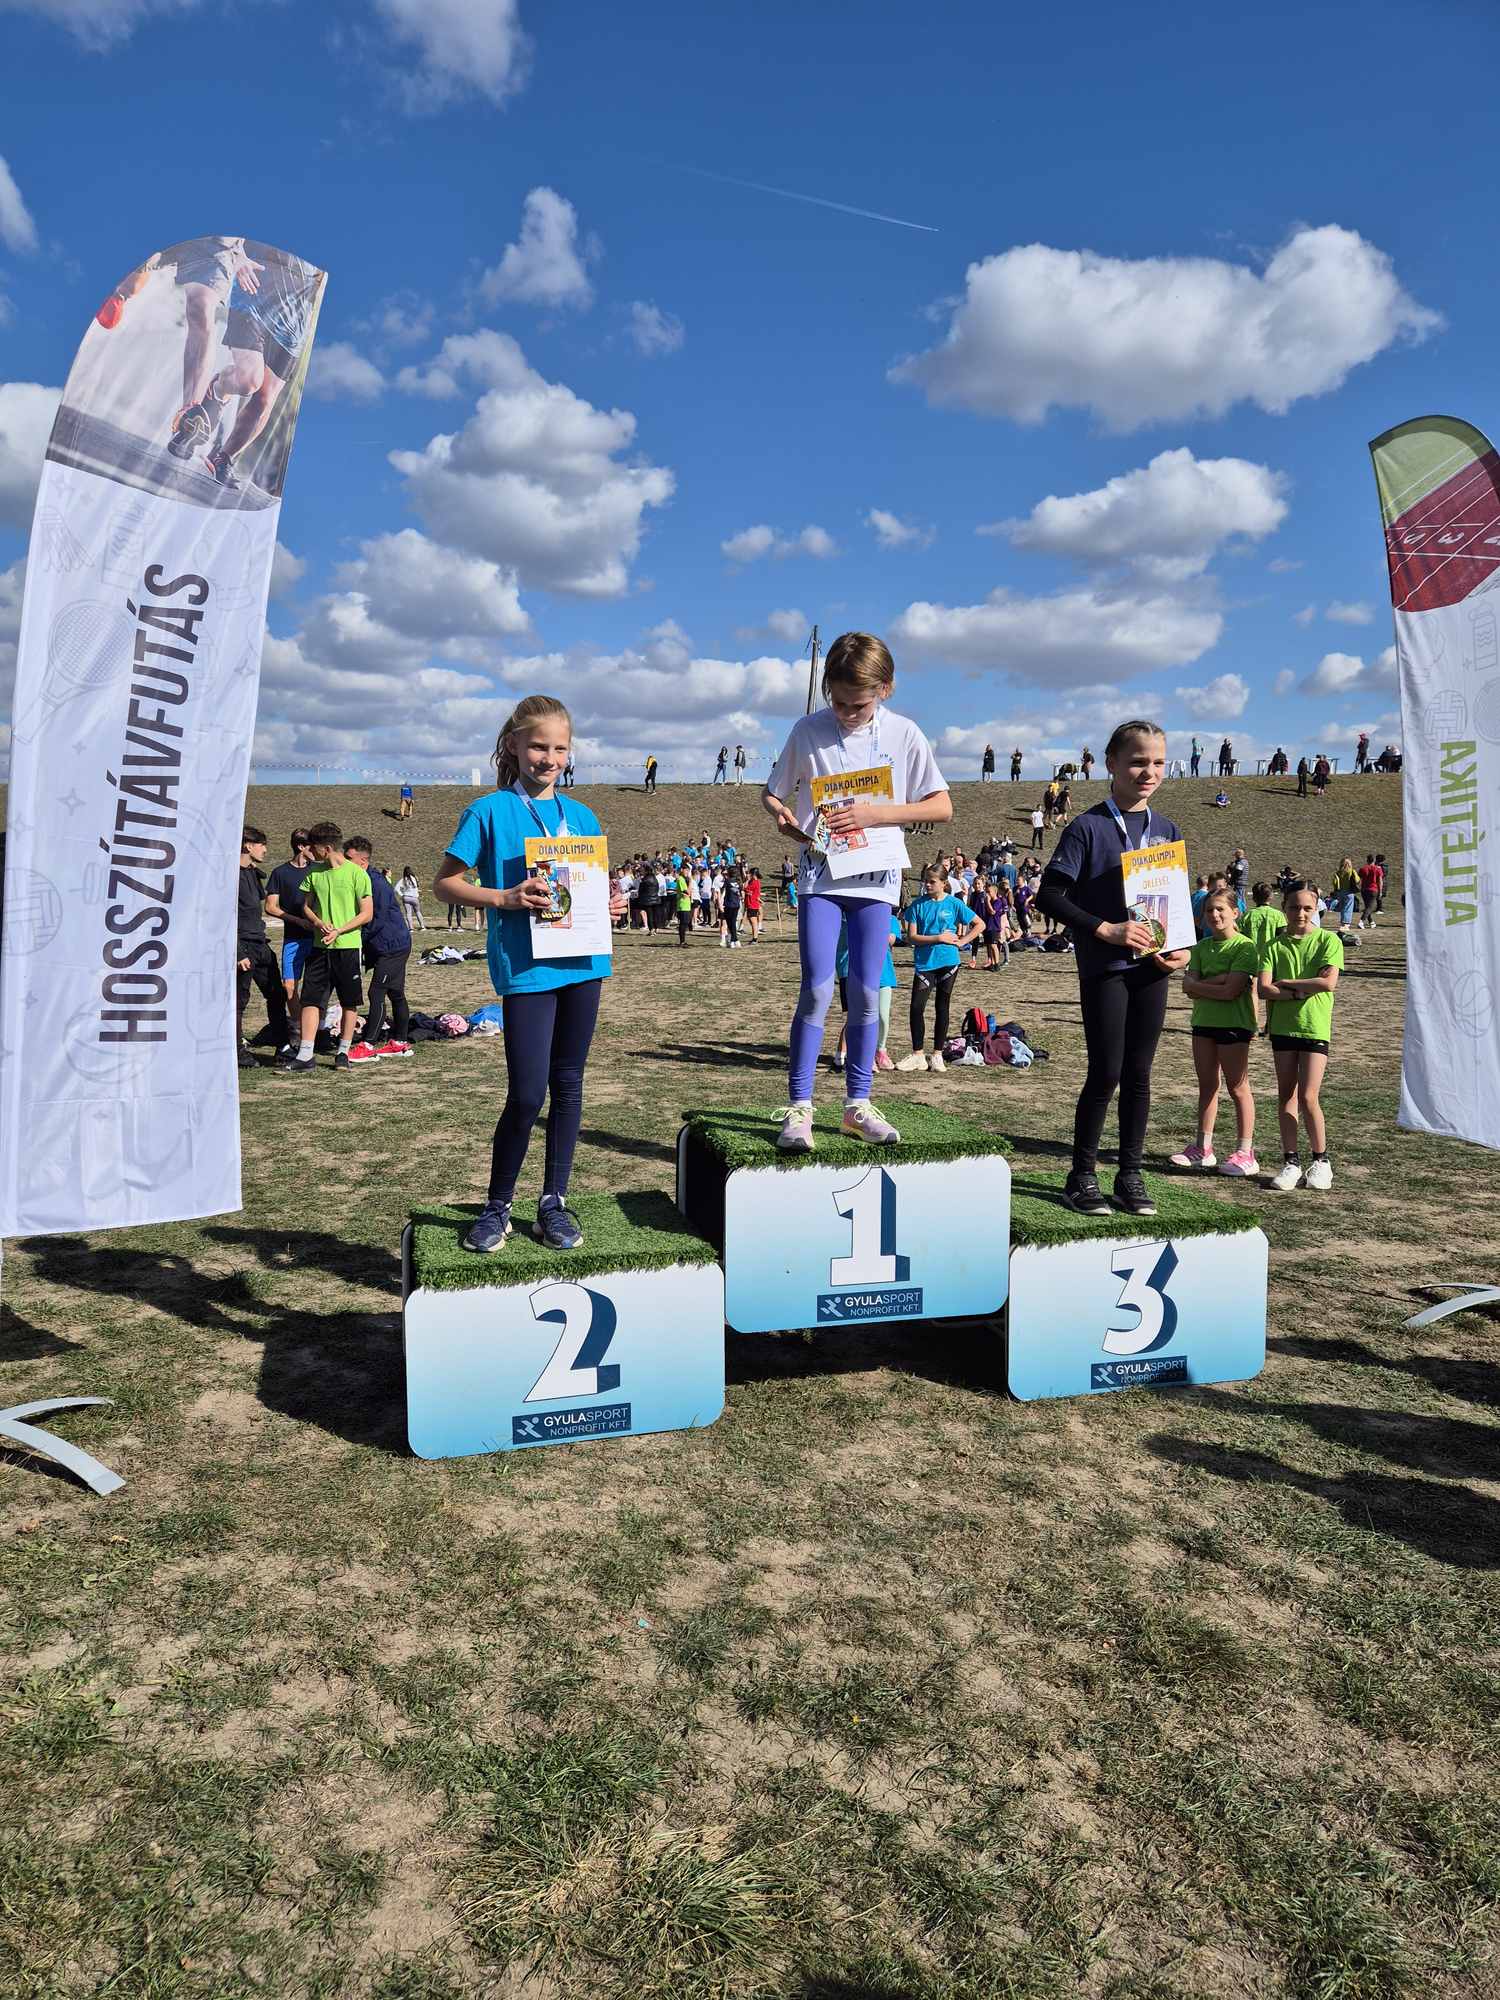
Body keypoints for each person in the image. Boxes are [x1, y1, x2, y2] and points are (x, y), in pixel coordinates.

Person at [435, 693, 628, 1254]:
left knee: (568, 1085)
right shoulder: (488, 811)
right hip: (527, 970)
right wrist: (503, 897)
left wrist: (607, 906)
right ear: (513, 745)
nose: (550, 758)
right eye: (539, 746)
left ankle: (553, 1203)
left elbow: (585, 889)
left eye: (560, 749)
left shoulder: (583, 816)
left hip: (585, 964)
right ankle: (497, 1206)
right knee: (525, 1094)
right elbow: (445, 883)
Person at [764, 630, 950, 1150]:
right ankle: (799, 1108)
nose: (847, 712)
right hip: (821, 876)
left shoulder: (905, 733)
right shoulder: (807, 730)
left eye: (859, 704)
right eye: (839, 702)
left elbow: (940, 806)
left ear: (885, 689)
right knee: (818, 988)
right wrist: (782, 815)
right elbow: (773, 793)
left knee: (868, 992)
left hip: (876, 878)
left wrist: (877, 814)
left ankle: (857, 1105)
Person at [1036, 719, 1190, 1218]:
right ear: (1111, 764)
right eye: (1138, 762)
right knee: (1105, 1073)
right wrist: (1106, 930)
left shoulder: (1167, 829)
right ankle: (1081, 1177)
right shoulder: (1087, 827)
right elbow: (1049, 896)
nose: (1149, 772)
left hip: (1152, 969)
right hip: (1106, 968)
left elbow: (1173, 902)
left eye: (1158, 762)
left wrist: (1181, 948)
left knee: (1140, 1074)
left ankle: (1129, 1174)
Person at [1257, 882, 1342, 1192]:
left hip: (1314, 1027)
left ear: (1316, 909)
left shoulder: (1329, 940)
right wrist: (1300, 991)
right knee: (1286, 1096)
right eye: (1294, 907)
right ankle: (1291, 1162)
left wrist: (1288, 983)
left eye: (1307, 908)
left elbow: (1328, 983)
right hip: (1283, 1028)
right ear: (1284, 908)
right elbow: (1264, 988)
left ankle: (1321, 1161)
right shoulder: (1272, 946)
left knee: (1308, 1097)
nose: (1301, 913)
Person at [1172, 887, 1259, 1177]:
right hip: (1203, 1023)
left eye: (1220, 909)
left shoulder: (1245, 947)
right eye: (1209, 910)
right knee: (1207, 1085)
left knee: (1238, 1088)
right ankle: (1203, 1149)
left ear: (1236, 912)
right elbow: (1188, 988)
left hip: (1234, 1025)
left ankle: (1245, 1153)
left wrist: (1204, 985)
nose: (1214, 915)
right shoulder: (1200, 948)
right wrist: (1217, 982)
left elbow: (1230, 992)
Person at [279, 822, 372, 1075]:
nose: (310, 851)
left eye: (314, 847)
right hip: (319, 948)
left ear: (327, 848)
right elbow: (305, 906)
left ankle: (343, 1053)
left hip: (348, 947)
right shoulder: (314, 873)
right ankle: (305, 1055)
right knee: (310, 1000)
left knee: (349, 1002)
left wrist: (339, 930)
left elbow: (367, 913)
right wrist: (319, 923)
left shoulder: (357, 874)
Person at [897, 864, 983, 1071]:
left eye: (932, 881)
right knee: (916, 1007)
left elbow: (980, 924)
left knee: (942, 1006)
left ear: (944, 883)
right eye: (925, 881)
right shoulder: (917, 905)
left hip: (949, 963)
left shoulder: (954, 903)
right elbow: (911, 937)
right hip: (925, 963)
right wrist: (938, 938)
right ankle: (918, 1054)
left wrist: (963, 942)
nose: (927, 885)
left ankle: (937, 1055)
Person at [343, 837, 412, 1062]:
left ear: (363, 861)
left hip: (392, 946)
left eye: (348, 858)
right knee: (396, 993)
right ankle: (400, 1042)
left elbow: (375, 920)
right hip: (389, 944)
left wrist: (356, 940)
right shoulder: (361, 879)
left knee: (376, 992)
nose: (344, 862)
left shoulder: (376, 883)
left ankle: (368, 1045)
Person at [236, 826, 289, 1066]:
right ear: (248, 846)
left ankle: (283, 1046)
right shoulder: (229, 875)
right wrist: (237, 953)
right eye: (262, 844)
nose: (265, 850)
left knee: (277, 994)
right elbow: (223, 917)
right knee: (239, 1001)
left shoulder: (252, 872)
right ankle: (237, 1051)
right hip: (243, 946)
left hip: (260, 943)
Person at [1244, 882, 1286, 961]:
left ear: (1253, 898)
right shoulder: (1278, 915)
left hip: (1250, 956)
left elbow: (1240, 935)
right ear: (1271, 896)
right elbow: (1282, 937)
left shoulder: (1247, 915)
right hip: (1270, 956)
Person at [1331, 857, 1360, 934]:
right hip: (1349, 892)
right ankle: (1346, 924)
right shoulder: (1352, 871)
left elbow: (1334, 882)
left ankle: (1342, 923)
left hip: (1340, 892)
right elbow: (1357, 880)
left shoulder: (1338, 872)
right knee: (1348, 908)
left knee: (1343, 908)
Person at [721, 866, 744, 948]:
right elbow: (741, 892)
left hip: (729, 904)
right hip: (736, 904)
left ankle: (734, 940)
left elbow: (723, 890)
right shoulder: (739, 881)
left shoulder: (727, 881)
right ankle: (735, 940)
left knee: (730, 923)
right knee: (733, 922)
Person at [1358, 853, 1384, 928]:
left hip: (1364, 890)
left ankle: (1371, 922)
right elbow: (1380, 881)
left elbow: (1358, 879)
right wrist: (1380, 891)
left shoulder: (1363, 869)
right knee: (1370, 907)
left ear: (1367, 860)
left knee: (1367, 906)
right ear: (1374, 860)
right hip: (1373, 889)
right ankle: (1361, 921)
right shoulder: (1378, 869)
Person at [397, 865, 425, 929]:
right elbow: (417, 887)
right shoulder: (415, 878)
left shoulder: (403, 879)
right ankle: (422, 927)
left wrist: (402, 894)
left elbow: (396, 888)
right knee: (418, 911)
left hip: (406, 897)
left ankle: (411, 928)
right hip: (414, 898)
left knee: (408, 913)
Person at [674, 862, 694, 946]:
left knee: (685, 922)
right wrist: (690, 882)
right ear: (682, 870)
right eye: (686, 870)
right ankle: (682, 941)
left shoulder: (684, 879)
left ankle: (682, 940)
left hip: (686, 904)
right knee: (683, 923)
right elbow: (686, 893)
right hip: (682, 904)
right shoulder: (681, 879)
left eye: (688, 870)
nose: (687, 872)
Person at [744, 866, 763, 941]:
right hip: (750, 903)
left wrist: (747, 880)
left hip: (753, 904)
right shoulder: (752, 881)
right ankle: (754, 938)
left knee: (753, 922)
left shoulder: (755, 882)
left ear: (753, 874)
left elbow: (745, 888)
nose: (748, 875)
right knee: (752, 922)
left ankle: (755, 939)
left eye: (750, 873)